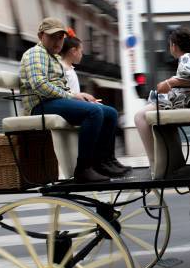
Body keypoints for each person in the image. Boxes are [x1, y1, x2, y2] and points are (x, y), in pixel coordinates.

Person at [19, 17, 130, 183]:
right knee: (93, 112)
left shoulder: (54, 58)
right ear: (41, 36)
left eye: (60, 37)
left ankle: (105, 162)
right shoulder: (36, 53)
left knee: (110, 113)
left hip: (53, 102)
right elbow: (40, 85)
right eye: (52, 36)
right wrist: (73, 96)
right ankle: (84, 168)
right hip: (39, 104)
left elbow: (61, 88)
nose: (58, 41)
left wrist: (80, 96)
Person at [134, 27, 190, 169]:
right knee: (155, 120)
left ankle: (155, 162)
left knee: (139, 117)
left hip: (181, 101)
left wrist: (170, 82)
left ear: (173, 46)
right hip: (185, 99)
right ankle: (172, 162)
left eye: (169, 44)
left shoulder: (185, 58)